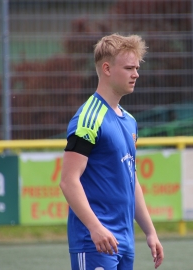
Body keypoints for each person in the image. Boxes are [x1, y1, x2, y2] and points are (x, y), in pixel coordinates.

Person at [59, 33, 164, 270]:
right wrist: (95, 228)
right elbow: (68, 181)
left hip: (124, 242)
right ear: (106, 68)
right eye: (129, 68)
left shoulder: (129, 121)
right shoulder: (88, 119)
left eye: (136, 67)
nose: (136, 73)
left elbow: (131, 179)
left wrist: (150, 231)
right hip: (95, 241)